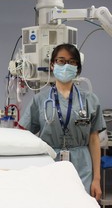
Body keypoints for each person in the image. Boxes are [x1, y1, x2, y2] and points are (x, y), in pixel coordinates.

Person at [18, 43, 106, 200]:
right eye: (61, 61)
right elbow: (23, 136)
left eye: (72, 62)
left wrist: (97, 179)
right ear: (52, 65)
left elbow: (94, 140)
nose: (66, 65)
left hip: (82, 166)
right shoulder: (40, 100)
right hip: (49, 164)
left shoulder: (90, 100)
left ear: (77, 67)